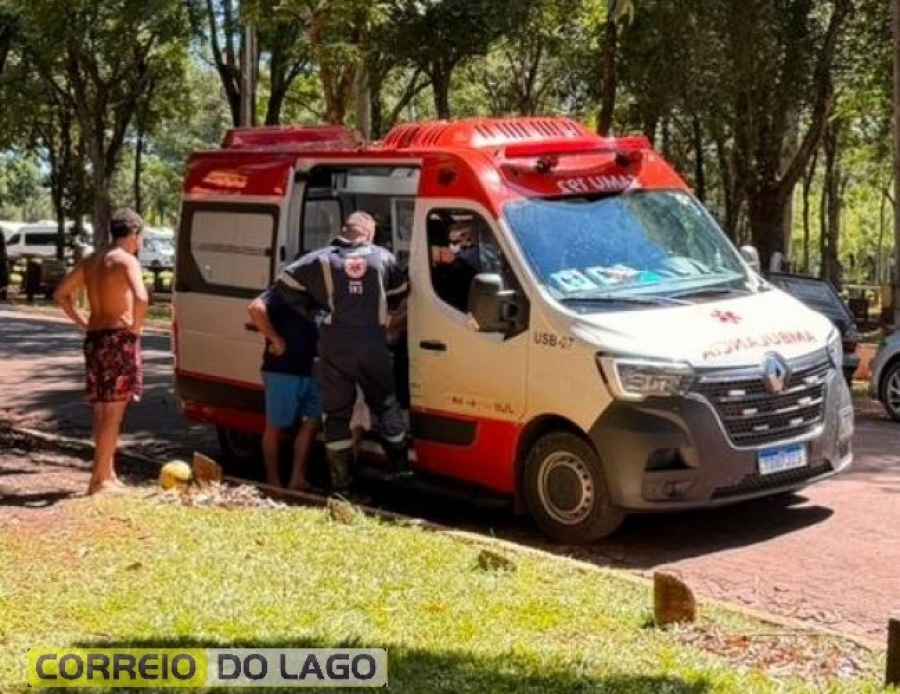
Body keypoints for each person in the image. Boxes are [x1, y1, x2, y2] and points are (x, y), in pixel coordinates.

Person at [274, 210, 412, 495]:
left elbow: (285, 283)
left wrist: (315, 311)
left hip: (334, 344)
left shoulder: (320, 258)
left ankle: (342, 487)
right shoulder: (383, 257)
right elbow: (401, 292)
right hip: (372, 344)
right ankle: (400, 471)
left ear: (344, 230)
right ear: (369, 233)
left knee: (336, 414)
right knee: (386, 404)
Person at [53, 208, 148, 495]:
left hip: (95, 338)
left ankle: (107, 470)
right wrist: (135, 326)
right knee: (114, 409)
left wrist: (83, 322)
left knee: (101, 407)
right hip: (119, 337)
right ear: (134, 234)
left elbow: (60, 294)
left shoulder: (93, 260)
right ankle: (99, 479)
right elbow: (142, 298)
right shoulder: (126, 260)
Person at [247, 285, 321, 491]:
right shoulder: (282, 291)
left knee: (312, 423)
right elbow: (255, 308)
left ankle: (297, 478)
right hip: (283, 370)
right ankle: (273, 481)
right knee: (275, 427)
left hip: (313, 369)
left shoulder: (322, 294)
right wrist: (275, 338)